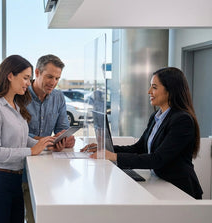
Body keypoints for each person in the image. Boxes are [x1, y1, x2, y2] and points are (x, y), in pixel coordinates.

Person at [81, 67, 203, 199]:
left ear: (170, 90)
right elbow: (139, 148)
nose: (149, 91)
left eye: (154, 87)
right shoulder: (156, 116)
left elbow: (158, 159)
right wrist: (106, 149)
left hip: (180, 191)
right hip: (160, 183)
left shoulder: (182, 120)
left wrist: (113, 156)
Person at [0, 55, 57, 223]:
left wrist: (45, 145)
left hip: (15, 181)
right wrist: (31, 151)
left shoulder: (16, 105)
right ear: (10, 75)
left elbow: (21, 138)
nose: (28, 83)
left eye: (29, 78)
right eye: (25, 78)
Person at [23, 54, 76, 223]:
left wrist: (64, 139)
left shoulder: (58, 97)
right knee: (29, 214)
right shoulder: (20, 95)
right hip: (22, 166)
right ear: (37, 72)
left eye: (57, 78)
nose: (53, 82)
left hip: (48, 169)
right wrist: (45, 140)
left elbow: (62, 128)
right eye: (49, 77)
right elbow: (17, 134)